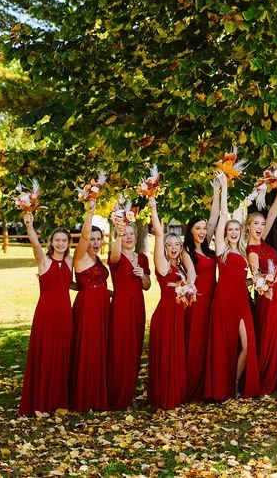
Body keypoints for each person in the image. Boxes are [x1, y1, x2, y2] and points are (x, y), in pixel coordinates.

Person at [19, 201, 92, 416]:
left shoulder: (70, 261)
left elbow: (85, 241)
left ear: (68, 242)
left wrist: (90, 212)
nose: (60, 243)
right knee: (45, 356)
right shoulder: (44, 261)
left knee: (61, 357)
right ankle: (41, 402)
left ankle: (59, 401)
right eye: (57, 240)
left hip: (65, 316)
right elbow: (34, 245)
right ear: (51, 241)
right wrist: (30, 225)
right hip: (46, 316)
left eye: (64, 240)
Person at [205, 176, 262, 400]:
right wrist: (224, 189)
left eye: (237, 229)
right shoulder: (221, 249)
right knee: (223, 347)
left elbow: (241, 280)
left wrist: (257, 281)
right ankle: (223, 387)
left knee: (248, 345)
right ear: (226, 232)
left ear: (241, 232)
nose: (234, 232)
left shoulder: (244, 252)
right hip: (223, 301)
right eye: (230, 229)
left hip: (241, 301)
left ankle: (235, 382)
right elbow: (222, 216)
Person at [146, 196, 193, 410]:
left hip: (179, 315)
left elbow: (192, 276)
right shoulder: (163, 265)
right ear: (164, 247)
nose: (173, 248)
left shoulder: (181, 268)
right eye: (169, 244)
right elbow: (157, 233)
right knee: (166, 356)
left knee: (177, 355)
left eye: (177, 244)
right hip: (165, 315)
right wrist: (153, 206)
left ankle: (175, 394)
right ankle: (164, 397)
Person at [181, 176, 221, 402]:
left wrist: (217, 191)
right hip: (197, 301)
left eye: (204, 228)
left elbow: (214, 217)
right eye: (198, 228)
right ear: (190, 230)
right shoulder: (187, 250)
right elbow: (192, 274)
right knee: (195, 343)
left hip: (213, 299)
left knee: (210, 343)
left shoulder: (208, 248)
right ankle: (192, 387)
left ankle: (209, 385)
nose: (203, 231)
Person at [106, 214, 151, 410]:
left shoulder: (142, 258)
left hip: (138, 306)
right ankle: (117, 395)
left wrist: (143, 276)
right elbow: (115, 255)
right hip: (121, 306)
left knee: (134, 350)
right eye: (125, 234)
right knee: (120, 349)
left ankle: (130, 396)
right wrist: (118, 231)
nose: (128, 237)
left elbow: (147, 286)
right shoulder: (115, 256)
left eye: (131, 234)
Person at [69, 199, 110, 412]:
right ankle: (84, 396)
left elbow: (99, 283)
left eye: (98, 238)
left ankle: (97, 394)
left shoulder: (98, 259)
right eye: (92, 239)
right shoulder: (81, 255)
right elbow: (84, 236)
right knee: (88, 347)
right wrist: (90, 212)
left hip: (103, 308)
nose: (94, 242)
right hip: (88, 309)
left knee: (99, 349)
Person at [247, 192, 277, 394]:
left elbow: (271, 215)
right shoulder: (252, 249)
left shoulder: (262, 241)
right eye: (256, 224)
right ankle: (265, 378)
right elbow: (257, 277)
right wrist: (268, 284)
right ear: (248, 227)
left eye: (262, 224)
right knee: (268, 334)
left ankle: (276, 374)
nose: (260, 227)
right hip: (267, 296)